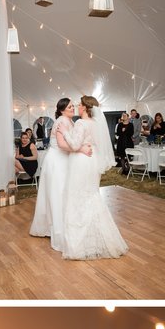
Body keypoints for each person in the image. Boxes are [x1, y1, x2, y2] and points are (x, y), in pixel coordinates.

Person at [60, 95, 128, 260]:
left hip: (81, 162)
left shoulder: (81, 123)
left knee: (78, 198)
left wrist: (65, 133)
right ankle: (97, 240)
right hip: (93, 162)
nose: (77, 106)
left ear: (85, 107)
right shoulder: (97, 124)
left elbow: (75, 145)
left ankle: (81, 243)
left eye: (80, 104)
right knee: (91, 195)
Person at [29, 98, 92, 249]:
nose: (73, 108)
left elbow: (71, 141)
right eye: (70, 106)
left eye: (73, 106)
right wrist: (81, 149)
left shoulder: (70, 121)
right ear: (62, 110)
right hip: (57, 161)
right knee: (58, 194)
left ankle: (63, 225)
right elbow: (63, 145)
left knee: (63, 193)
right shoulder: (62, 121)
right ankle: (57, 230)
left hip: (64, 160)